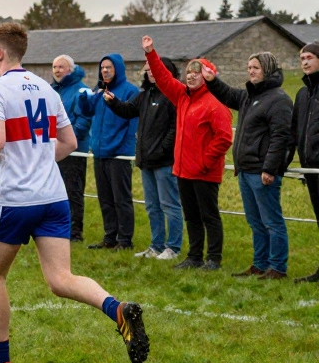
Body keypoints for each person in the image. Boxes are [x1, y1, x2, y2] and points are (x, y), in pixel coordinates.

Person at [0, 23, 149, 363]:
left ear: (1, 53)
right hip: (53, 196)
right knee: (61, 278)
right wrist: (40, 160)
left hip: (16, 199)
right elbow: (68, 141)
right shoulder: (47, 90)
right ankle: (118, 310)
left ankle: (0, 361)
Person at [141, 37, 234, 270]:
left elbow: (223, 137)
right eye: (189, 72)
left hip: (204, 172)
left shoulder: (215, 102)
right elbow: (163, 78)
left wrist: (204, 162)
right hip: (183, 171)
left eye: (197, 72)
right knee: (191, 217)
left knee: (209, 216)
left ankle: (213, 258)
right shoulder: (182, 96)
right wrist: (151, 53)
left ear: (208, 76)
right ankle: (194, 257)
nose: (191, 76)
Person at [205, 52, 294, 279]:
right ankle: (260, 264)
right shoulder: (248, 97)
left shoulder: (279, 99)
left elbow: (280, 137)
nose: (251, 71)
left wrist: (270, 169)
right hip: (245, 172)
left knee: (272, 221)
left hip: (262, 173)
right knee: (256, 222)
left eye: (255, 67)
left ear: (267, 69)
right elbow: (227, 94)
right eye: (249, 67)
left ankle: (277, 268)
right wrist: (212, 80)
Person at [103, 57, 182, 260]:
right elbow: (128, 111)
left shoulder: (173, 96)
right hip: (146, 161)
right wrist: (114, 103)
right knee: (152, 205)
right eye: (148, 70)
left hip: (164, 161)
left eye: (155, 70)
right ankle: (156, 245)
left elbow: (175, 128)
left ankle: (173, 247)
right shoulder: (145, 95)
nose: (150, 73)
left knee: (169, 204)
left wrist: (164, 149)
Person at [78, 54, 139, 250]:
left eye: (109, 67)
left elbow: (132, 125)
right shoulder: (99, 90)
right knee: (105, 198)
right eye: (102, 68)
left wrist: (120, 147)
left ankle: (125, 240)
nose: (105, 71)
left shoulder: (130, 91)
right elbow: (88, 113)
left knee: (121, 198)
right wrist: (83, 98)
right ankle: (110, 237)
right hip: (100, 152)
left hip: (119, 154)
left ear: (118, 69)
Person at [51, 56, 93, 242]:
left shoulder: (82, 90)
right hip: (52, 148)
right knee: (54, 189)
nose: (57, 70)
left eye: (61, 67)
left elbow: (84, 119)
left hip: (73, 149)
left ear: (71, 69)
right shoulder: (53, 90)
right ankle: (57, 225)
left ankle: (75, 230)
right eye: (54, 67)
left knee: (72, 189)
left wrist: (67, 139)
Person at [290, 42, 319, 283]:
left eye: (310, 57)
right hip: (310, 169)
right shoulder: (302, 93)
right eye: (302, 58)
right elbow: (294, 132)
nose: (305, 62)